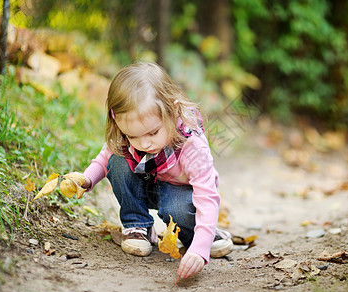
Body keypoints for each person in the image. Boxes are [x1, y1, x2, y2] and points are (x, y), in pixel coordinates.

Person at [79, 61, 233, 280]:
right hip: (147, 186)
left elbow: (206, 196)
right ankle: (137, 227)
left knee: (177, 209)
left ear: (172, 110)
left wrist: (200, 248)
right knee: (119, 162)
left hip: (181, 195)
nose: (144, 144)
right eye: (133, 136)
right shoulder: (129, 135)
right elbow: (104, 157)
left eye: (153, 133)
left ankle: (201, 236)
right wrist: (87, 179)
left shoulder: (191, 145)